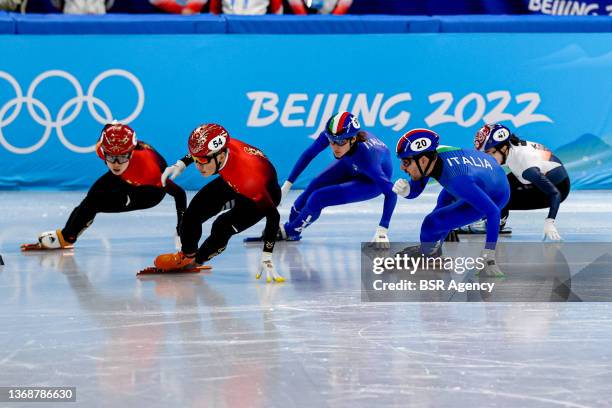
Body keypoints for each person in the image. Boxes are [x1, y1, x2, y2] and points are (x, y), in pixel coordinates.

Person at [23, 122, 187, 251]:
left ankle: (67, 238)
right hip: (125, 176)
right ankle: (66, 237)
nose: (115, 163)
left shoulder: (148, 169)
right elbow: (109, 132)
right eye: (110, 157)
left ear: (131, 153)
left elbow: (180, 194)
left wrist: (181, 229)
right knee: (90, 198)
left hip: (149, 192)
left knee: (95, 204)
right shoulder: (103, 149)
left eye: (122, 157)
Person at [156, 123, 284, 282]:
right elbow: (199, 153)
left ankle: (197, 261)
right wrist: (181, 163)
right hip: (233, 179)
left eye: (203, 162)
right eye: (196, 160)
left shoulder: (249, 179)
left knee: (221, 226)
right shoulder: (219, 148)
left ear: (221, 157)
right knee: (192, 214)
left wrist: (267, 255)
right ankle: (187, 256)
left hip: (258, 195)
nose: (198, 167)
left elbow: (273, 216)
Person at [392, 128, 510, 277]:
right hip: (485, 175)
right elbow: (415, 191)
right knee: (443, 200)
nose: (402, 167)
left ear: (422, 160)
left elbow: (493, 211)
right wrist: (407, 191)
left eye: (406, 162)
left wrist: (489, 256)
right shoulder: (432, 156)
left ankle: (431, 255)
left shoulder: (459, 181)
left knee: (431, 223)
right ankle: (433, 250)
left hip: (495, 194)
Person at [278, 111, 397, 248]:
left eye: (340, 142)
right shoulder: (335, 135)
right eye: (331, 141)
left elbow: (391, 193)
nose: (335, 146)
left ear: (354, 139)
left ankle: (289, 231)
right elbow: (309, 154)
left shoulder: (369, 160)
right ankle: (293, 229)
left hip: (370, 183)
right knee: (312, 188)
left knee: (318, 197)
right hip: (350, 164)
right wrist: (286, 187)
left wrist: (382, 230)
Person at [469, 123, 571, 241]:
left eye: (490, 153)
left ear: (503, 148)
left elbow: (555, 193)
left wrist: (550, 222)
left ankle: (496, 222)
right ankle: (499, 217)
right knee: (496, 187)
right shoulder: (512, 148)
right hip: (545, 173)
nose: (487, 159)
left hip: (558, 187)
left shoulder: (526, 167)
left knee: (499, 196)